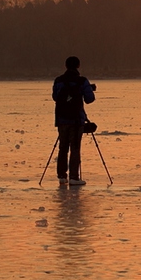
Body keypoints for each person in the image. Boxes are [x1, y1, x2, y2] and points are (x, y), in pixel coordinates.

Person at [52, 56, 96, 186]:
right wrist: (88, 89)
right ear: (78, 66)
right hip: (76, 120)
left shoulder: (59, 80)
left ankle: (61, 176)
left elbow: (55, 97)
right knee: (75, 148)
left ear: (66, 66)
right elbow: (89, 99)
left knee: (63, 148)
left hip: (61, 119)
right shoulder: (82, 81)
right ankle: (74, 177)